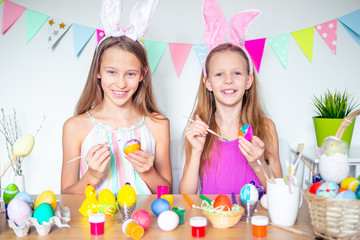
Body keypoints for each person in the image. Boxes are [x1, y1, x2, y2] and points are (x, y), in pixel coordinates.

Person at [61, 36, 172, 195]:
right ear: (98, 71)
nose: (121, 84)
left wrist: (148, 173)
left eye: (131, 74)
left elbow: (168, 192)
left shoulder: (158, 124)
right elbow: (66, 196)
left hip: (145, 218)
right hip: (95, 218)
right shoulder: (75, 127)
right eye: (112, 72)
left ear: (142, 74)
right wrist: (92, 176)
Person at [180, 42, 282, 194]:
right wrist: (196, 151)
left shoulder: (266, 127)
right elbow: (186, 195)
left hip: (255, 217)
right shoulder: (200, 131)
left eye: (237, 73)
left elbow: (280, 194)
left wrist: (257, 164)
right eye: (219, 74)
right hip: (214, 216)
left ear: (248, 81)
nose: (228, 80)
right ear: (208, 83)